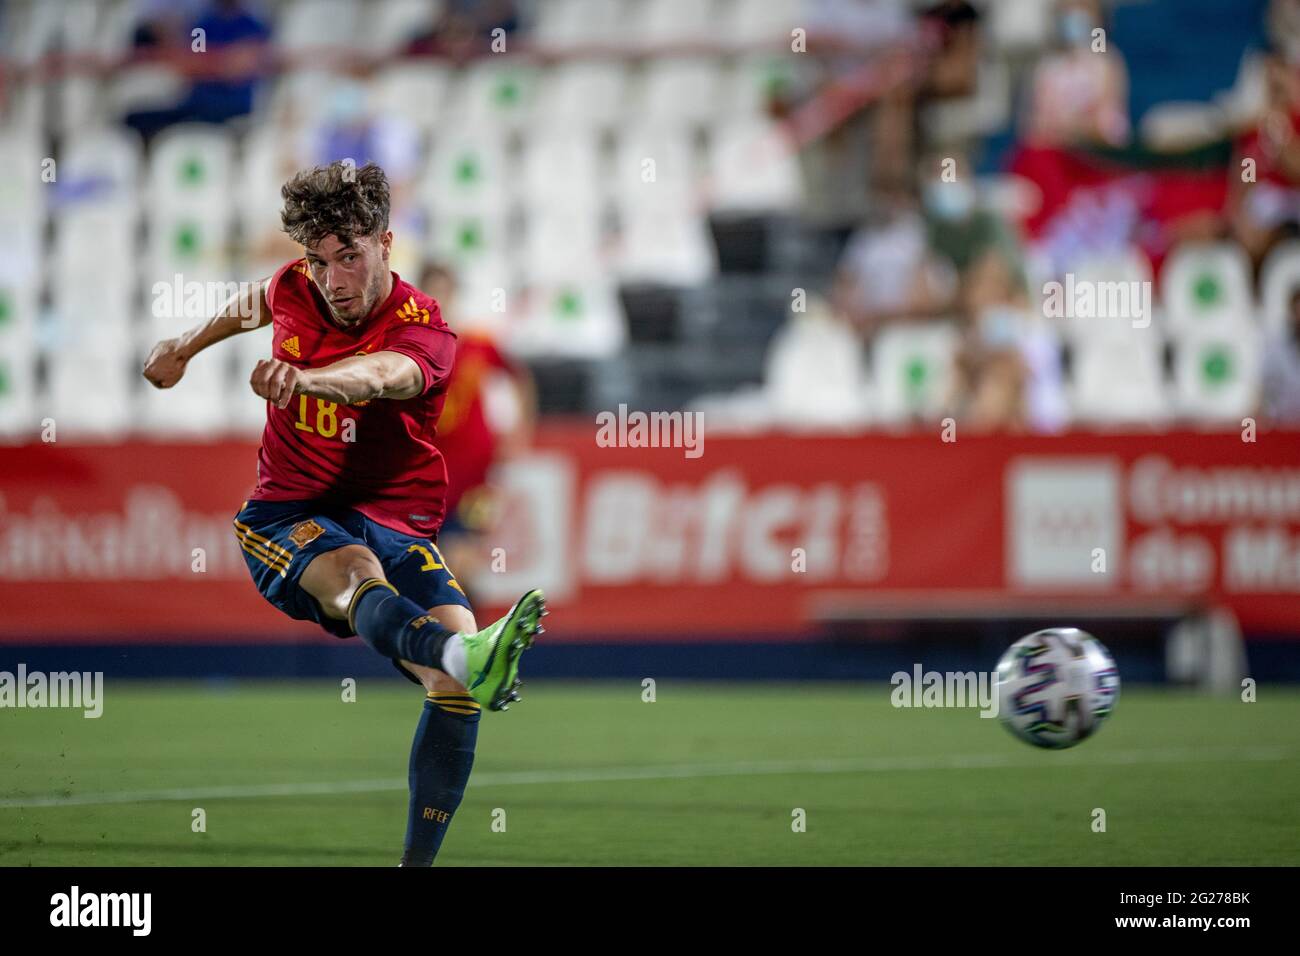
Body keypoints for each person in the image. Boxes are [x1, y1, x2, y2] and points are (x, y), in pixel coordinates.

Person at [142, 161, 545, 867]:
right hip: (287, 518)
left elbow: (380, 375)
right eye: (319, 260)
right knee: (361, 577)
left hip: (392, 521)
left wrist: (308, 382)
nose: (333, 279)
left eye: (350, 257)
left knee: (455, 695)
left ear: (386, 244)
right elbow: (254, 302)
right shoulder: (296, 286)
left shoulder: (429, 333)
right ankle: (464, 652)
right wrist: (183, 347)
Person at [419, 262, 536, 598]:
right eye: (432, 292)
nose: (439, 299)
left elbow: (519, 377)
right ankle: (456, 635)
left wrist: (521, 431)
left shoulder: (477, 343)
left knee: (465, 554)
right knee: (435, 562)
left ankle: (464, 631)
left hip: (479, 475)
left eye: (445, 291)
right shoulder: (409, 351)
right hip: (428, 477)